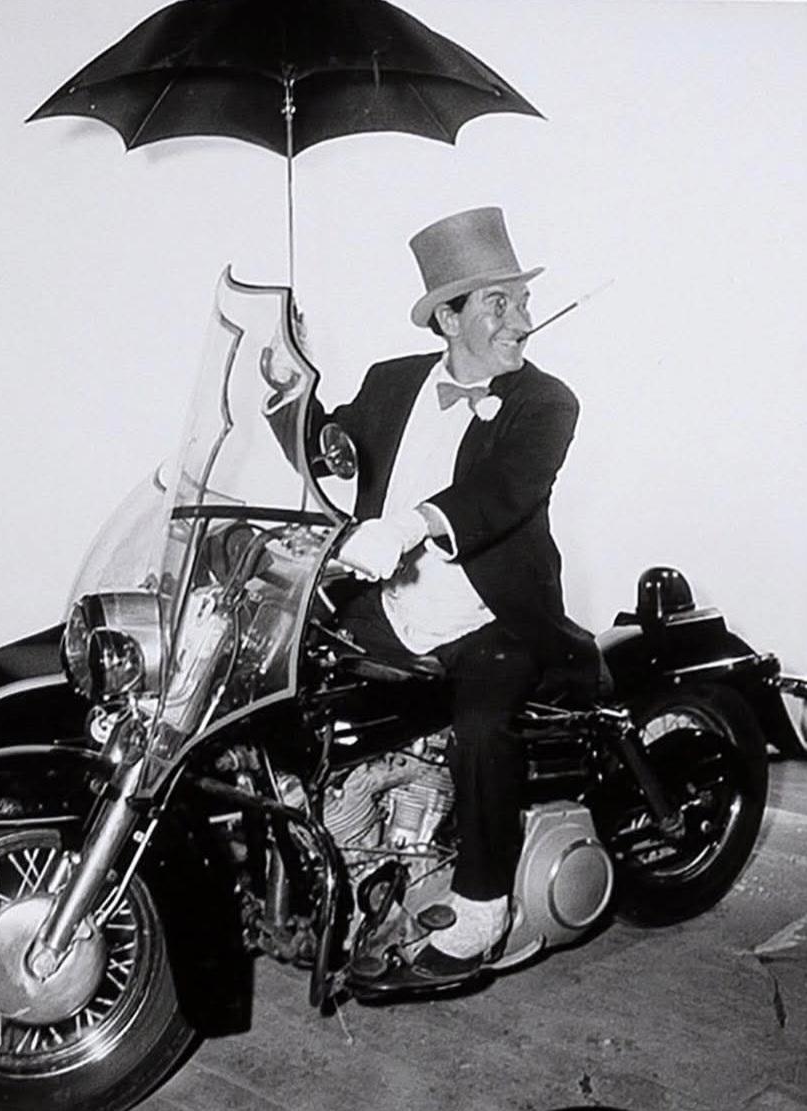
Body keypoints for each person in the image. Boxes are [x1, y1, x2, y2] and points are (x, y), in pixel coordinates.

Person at [266, 206, 599, 990]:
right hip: (386, 606)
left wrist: (410, 523)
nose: (522, 319)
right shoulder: (391, 382)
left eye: (520, 300)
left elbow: (503, 489)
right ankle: (325, 859)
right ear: (447, 317)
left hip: (490, 616)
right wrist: (288, 383)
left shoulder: (545, 402)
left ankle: (480, 908)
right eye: (498, 303)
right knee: (280, 684)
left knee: (481, 727)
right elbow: (326, 451)